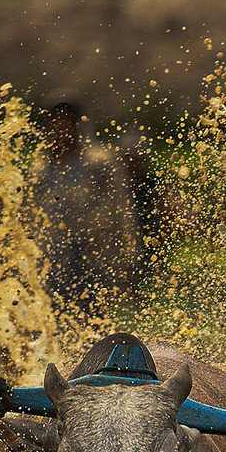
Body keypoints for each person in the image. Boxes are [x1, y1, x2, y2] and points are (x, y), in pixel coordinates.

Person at [33, 100, 141, 312]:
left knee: (95, 316)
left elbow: (123, 210)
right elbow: (30, 219)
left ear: (77, 124)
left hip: (96, 256)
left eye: (66, 121)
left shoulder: (99, 164)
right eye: (55, 122)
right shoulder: (40, 171)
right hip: (56, 260)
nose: (61, 128)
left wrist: (127, 261)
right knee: (57, 317)